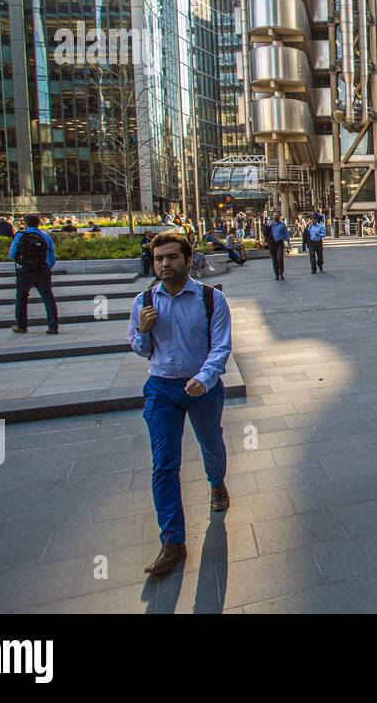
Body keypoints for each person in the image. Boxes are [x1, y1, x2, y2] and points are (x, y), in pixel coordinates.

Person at [128, 231, 232, 577]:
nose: (164, 264)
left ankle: (216, 483)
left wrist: (204, 379)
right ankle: (173, 542)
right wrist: (142, 330)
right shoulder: (144, 301)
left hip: (203, 388)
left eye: (172, 257)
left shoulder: (210, 299)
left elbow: (221, 346)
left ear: (189, 260)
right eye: (158, 259)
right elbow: (141, 349)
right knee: (163, 465)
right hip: (161, 389)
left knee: (211, 444)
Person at [8, 214, 59, 334]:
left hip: (26, 270)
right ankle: (53, 326)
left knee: (21, 297)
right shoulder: (45, 237)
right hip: (42, 270)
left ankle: (21, 325)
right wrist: (45, 268)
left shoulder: (21, 235)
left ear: (26, 224)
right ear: (39, 224)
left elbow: (12, 254)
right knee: (48, 297)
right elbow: (52, 259)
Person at [267, 212, 289, 281]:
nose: (275, 216)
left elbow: (286, 234)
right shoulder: (270, 224)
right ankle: (276, 274)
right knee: (274, 259)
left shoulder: (282, 225)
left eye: (276, 215)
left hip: (280, 243)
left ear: (279, 216)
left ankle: (281, 272)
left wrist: (289, 244)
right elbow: (265, 232)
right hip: (272, 243)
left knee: (279, 258)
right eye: (274, 215)